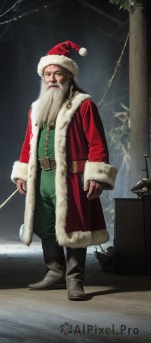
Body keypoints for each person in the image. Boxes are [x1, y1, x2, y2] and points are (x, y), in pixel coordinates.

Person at [10, 41, 118, 301]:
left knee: (74, 228)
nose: (52, 79)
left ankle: (74, 280)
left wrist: (95, 176)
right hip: (43, 177)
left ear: (68, 76)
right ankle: (54, 272)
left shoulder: (83, 104)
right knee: (47, 226)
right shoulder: (35, 108)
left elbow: (97, 143)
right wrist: (23, 173)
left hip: (73, 177)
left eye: (58, 73)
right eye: (48, 74)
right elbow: (28, 144)